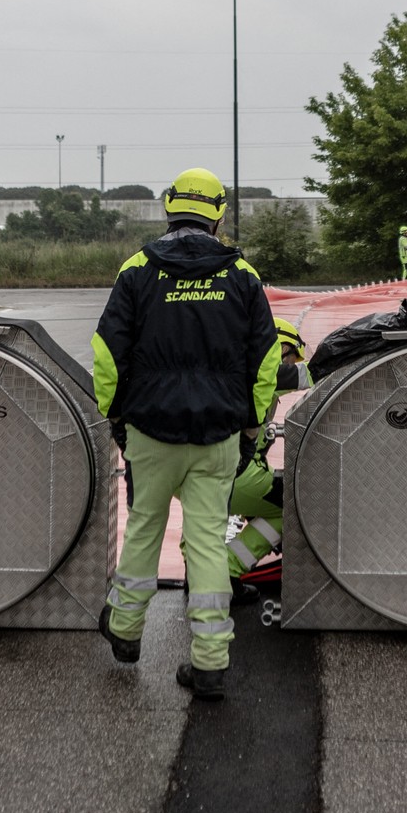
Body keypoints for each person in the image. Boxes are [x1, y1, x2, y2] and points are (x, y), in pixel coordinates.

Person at [94, 167, 282, 699]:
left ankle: (126, 632)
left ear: (169, 207)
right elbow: (265, 359)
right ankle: (210, 662)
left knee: (146, 525)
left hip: (150, 429)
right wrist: (251, 425)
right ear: (218, 215)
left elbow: (107, 354)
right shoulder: (241, 274)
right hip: (219, 433)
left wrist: (115, 415)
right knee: (204, 540)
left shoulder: (138, 268)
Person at [224, 317, 312, 590]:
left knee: (202, 519)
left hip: (197, 468)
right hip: (238, 472)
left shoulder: (229, 366)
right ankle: (228, 569)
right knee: (295, 504)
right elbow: (313, 373)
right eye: (291, 357)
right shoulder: (265, 373)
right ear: (280, 345)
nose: (291, 364)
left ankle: (198, 577)